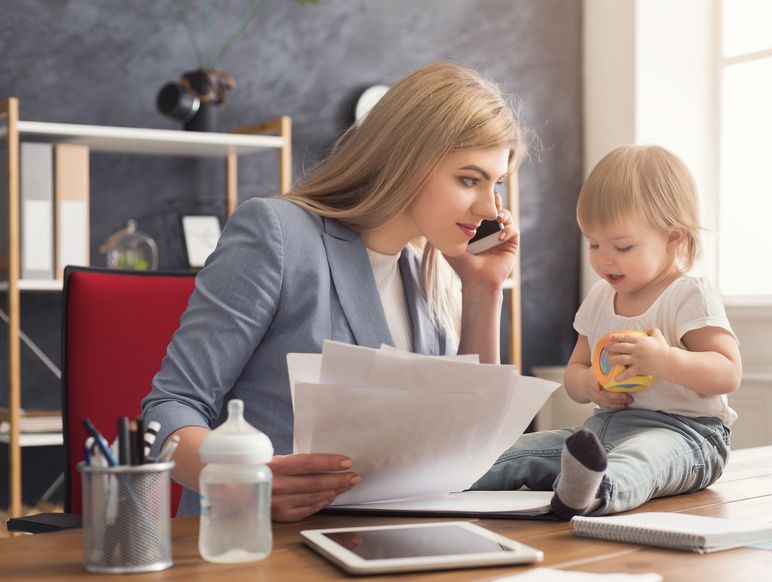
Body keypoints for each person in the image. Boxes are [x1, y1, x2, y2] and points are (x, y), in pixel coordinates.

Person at [141, 62, 527, 521]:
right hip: (259, 537)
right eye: (469, 179)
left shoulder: (431, 270)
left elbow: (468, 443)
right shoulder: (278, 234)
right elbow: (167, 410)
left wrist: (483, 290)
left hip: (393, 539)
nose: (488, 208)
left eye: (496, 184)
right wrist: (239, 478)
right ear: (405, 160)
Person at [471, 145, 741, 519]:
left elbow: (728, 373)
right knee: (518, 451)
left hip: (689, 435)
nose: (603, 259)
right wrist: (591, 385)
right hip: (604, 429)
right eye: (594, 244)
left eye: (623, 246)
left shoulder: (688, 294)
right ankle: (448, 479)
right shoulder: (600, 297)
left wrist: (664, 359)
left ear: (673, 238)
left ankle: (595, 491)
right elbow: (575, 373)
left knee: (643, 458)